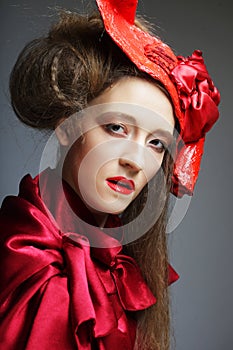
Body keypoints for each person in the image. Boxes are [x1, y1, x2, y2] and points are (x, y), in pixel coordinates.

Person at [0, 0, 220, 349]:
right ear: (66, 126)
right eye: (116, 128)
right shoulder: (23, 258)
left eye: (157, 144)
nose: (135, 160)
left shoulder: (121, 269)